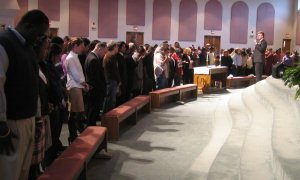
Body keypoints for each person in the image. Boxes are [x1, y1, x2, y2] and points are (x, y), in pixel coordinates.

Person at [0, 9, 49, 180]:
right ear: (28, 26)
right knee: (9, 172)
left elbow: (33, 86)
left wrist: (36, 117)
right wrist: (1, 124)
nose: (39, 39)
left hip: (28, 120)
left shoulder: (28, 48)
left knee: (23, 172)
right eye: (39, 34)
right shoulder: (4, 42)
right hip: (11, 123)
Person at [85, 42, 107, 126]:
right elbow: (96, 79)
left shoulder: (90, 56)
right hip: (95, 91)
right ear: (99, 48)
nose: (104, 54)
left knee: (92, 112)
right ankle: (91, 129)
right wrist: (103, 89)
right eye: (104, 52)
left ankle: (91, 127)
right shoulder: (93, 59)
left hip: (93, 90)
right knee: (92, 113)